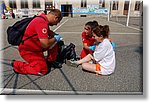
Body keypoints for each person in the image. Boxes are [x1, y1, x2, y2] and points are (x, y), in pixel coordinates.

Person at [11, 9, 63, 76]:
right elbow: (45, 44)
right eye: (57, 22)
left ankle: (50, 61)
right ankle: (17, 65)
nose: (56, 24)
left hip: (35, 47)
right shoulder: (41, 23)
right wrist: (55, 38)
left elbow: (48, 33)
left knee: (54, 42)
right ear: (55, 18)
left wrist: (54, 36)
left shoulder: (42, 19)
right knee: (42, 70)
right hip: (28, 50)